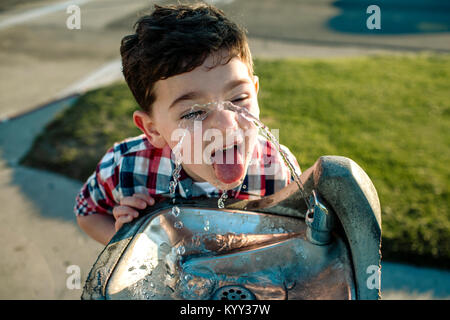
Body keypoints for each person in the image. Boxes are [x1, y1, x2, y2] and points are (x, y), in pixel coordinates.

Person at [74, 3, 301, 245]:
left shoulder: (276, 168)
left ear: (255, 91)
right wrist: (129, 245)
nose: (225, 125)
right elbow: (87, 212)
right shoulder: (127, 167)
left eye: (238, 98)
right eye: (193, 113)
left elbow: (298, 235)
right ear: (152, 129)